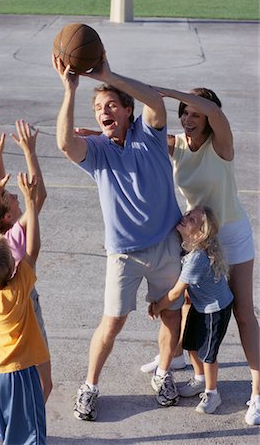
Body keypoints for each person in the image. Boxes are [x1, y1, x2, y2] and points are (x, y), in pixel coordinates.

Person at [52, 51, 185, 421]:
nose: (103, 111)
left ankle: (164, 374)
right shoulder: (95, 151)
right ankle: (89, 386)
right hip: (124, 254)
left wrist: (108, 74)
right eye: (98, 108)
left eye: (111, 105)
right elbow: (65, 144)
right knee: (111, 323)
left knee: (172, 316)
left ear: (128, 111)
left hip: (165, 246)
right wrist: (71, 90)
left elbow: (156, 101)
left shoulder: (151, 135)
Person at [143, 86, 260, 425]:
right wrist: (101, 137)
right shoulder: (177, 144)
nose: (188, 118)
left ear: (209, 118)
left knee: (242, 311)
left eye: (196, 113)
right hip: (197, 235)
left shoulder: (221, 144)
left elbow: (217, 114)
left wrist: (164, 91)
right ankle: (180, 358)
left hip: (232, 234)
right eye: (184, 112)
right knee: (193, 301)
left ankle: (257, 395)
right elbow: (139, 145)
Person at [0, 119, 52, 443]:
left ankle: (2, 424)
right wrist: (30, 153)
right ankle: (20, 427)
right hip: (24, 312)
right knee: (44, 383)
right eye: (13, 201)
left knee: (33, 384)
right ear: (8, 216)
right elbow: (34, 241)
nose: (16, 199)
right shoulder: (16, 246)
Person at [149, 206, 233, 414]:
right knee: (192, 345)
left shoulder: (197, 257)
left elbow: (177, 292)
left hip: (215, 310)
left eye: (192, 219)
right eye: (188, 214)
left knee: (208, 354)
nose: (185, 218)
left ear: (201, 233)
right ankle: (199, 380)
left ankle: (213, 394)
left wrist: (158, 306)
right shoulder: (187, 247)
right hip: (201, 306)